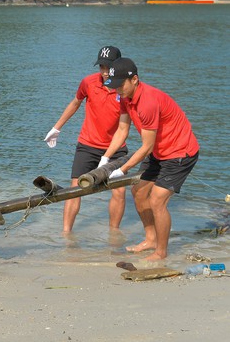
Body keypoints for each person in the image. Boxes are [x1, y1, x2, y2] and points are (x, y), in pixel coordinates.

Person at [102, 58, 199, 260]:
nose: (117, 90)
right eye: (114, 85)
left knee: (157, 200)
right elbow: (122, 129)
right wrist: (106, 157)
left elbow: (145, 147)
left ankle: (161, 252)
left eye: (121, 85)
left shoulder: (147, 102)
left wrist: (123, 170)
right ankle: (151, 239)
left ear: (135, 79)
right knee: (138, 191)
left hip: (180, 153)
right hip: (159, 152)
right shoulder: (125, 97)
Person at [43, 46, 128, 233]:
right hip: (88, 144)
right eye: (102, 67)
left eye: (109, 67)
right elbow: (75, 102)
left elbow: (135, 118)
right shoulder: (88, 83)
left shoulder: (125, 88)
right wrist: (56, 128)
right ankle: (66, 234)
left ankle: (114, 235)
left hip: (116, 148)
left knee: (120, 191)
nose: (105, 72)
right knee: (75, 189)